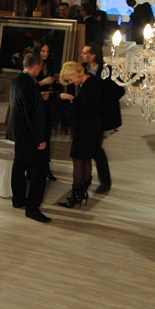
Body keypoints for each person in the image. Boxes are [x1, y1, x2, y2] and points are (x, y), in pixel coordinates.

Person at [7, 52, 51, 223]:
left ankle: (18, 199)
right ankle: (32, 208)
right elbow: (31, 115)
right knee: (40, 170)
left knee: (19, 165)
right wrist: (40, 139)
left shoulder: (17, 80)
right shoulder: (30, 85)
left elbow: (21, 104)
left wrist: (38, 98)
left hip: (18, 132)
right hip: (29, 135)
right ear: (37, 66)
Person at [80, 43, 125, 194]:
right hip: (88, 116)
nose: (82, 55)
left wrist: (101, 103)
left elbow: (120, 91)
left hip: (102, 116)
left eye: (85, 53)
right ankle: (87, 178)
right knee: (90, 147)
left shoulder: (107, 70)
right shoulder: (83, 68)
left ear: (93, 55)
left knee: (96, 148)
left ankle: (105, 182)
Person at [58, 61, 102, 208]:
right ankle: (82, 192)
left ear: (77, 73)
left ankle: (76, 195)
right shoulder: (88, 81)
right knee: (85, 158)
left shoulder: (88, 85)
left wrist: (71, 99)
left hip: (86, 127)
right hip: (90, 125)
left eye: (70, 79)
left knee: (77, 159)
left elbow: (86, 108)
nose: (70, 82)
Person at [32, 41, 58, 181]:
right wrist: (42, 83)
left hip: (48, 103)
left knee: (47, 135)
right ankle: (35, 167)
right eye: (43, 51)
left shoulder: (50, 65)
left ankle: (46, 167)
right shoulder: (33, 65)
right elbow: (28, 86)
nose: (45, 54)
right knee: (38, 134)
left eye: (47, 51)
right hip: (36, 103)